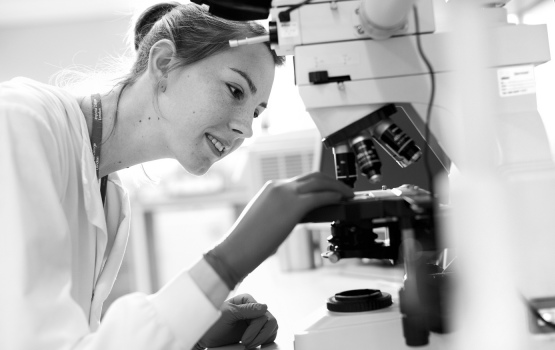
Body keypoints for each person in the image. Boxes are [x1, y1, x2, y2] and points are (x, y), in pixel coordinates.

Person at [0, 2, 354, 350]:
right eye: (235, 90)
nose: (245, 128)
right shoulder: (21, 121)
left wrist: (188, 333)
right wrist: (225, 263)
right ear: (164, 63)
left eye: (257, 112)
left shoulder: (108, 192)